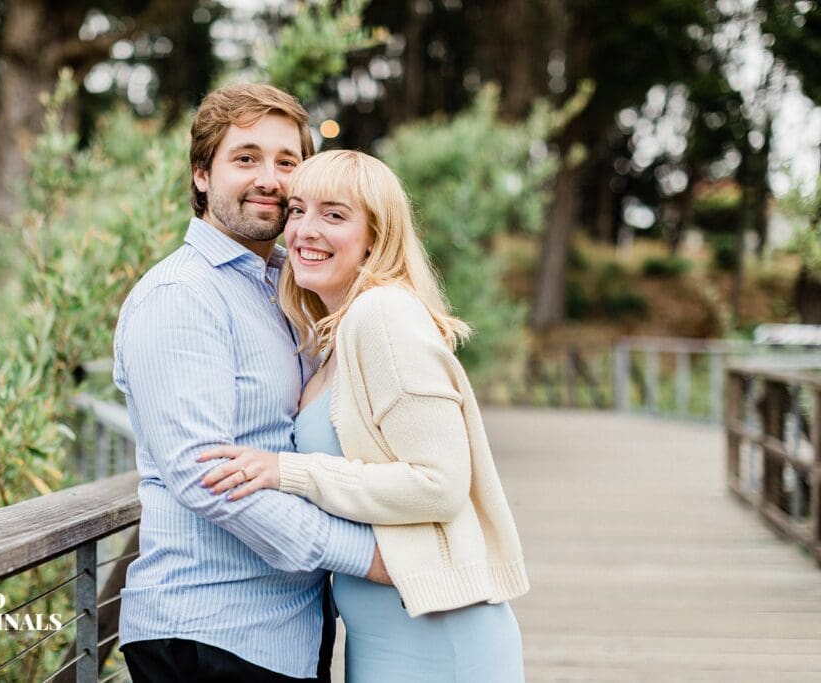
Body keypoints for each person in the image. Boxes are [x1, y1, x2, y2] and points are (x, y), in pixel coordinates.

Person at [199, 150, 530, 682]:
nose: (306, 230)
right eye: (298, 210)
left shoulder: (382, 317)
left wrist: (290, 472)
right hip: (386, 631)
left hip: (438, 637)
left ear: (375, 237)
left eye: (334, 215)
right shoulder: (335, 338)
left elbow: (440, 483)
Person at [112, 85, 390, 682]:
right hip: (210, 632)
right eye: (246, 158)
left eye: (286, 161)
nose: (270, 178)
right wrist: (367, 556)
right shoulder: (179, 297)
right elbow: (203, 475)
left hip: (288, 629)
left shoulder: (287, 289)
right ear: (202, 175)